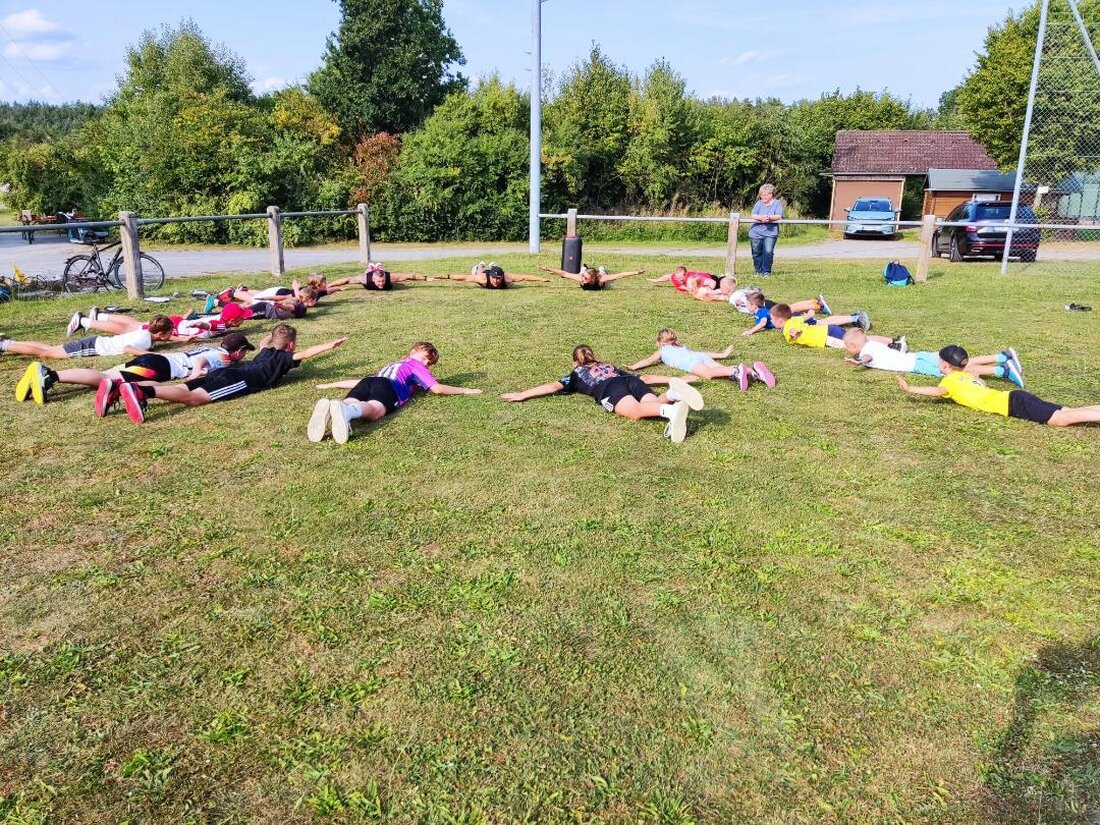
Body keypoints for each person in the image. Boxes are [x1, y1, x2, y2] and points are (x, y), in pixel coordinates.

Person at [113, 324, 347, 424]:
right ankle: (141, 391)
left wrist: (274, 333)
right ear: (291, 345)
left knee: (184, 387)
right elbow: (306, 353)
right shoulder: (284, 358)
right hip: (239, 380)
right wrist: (330, 345)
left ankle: (121, 388)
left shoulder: (265, 350)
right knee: (195, 399)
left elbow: (265, 341)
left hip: (228, 371)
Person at [500, 345, 704, 444]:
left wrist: (523, 394)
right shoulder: (609, 366)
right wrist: (674, 379)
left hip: (609, 389)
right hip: (630, 381)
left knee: (635, 412)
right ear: (594, 357)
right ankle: (672, 394)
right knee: (650, 404)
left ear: (575, 362)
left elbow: (553, 386)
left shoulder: (576, 374)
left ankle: (671, 411)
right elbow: (646, 378)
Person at [14, 333, 255, 411]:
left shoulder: (213, 347)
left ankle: (48, 375)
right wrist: (195, 374)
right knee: (105, 379)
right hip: (158, 368)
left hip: (155, 361)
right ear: (238, 351)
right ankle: (51, 375)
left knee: (104, 377)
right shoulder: (224, 358)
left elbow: (201, 354)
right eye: (245, 352)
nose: (244, 357)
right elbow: (202, 360)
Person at [307, 342, 482, 443]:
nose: (426, 364)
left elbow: (361, 381)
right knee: (375, 410)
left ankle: (335, 408)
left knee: (352, 400)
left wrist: (331, 385)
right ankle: (347, 413)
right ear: (413, 352)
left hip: (369, 380)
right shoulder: (416, 367)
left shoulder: (395, 365)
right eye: (424, 359)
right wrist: (466, 390)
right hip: (389, 387)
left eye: (429, 363)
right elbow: (437, 388)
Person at [897, 345, 1100, 427]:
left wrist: (910, 389)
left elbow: (937, 391)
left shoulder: (949, 382)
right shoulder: (966, 377)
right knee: (1066, 411)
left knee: (1061, 419)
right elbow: (981, 383)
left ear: (943, 365)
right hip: (1015, 397)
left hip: (1013, 404)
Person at [842, 329, 1024, 386]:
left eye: (847, 347)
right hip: (919, 356)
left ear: (853, 346)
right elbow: (873, 340)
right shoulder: (871, 342)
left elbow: (867, 358)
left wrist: (858, 361)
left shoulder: (866, 352)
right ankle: (1003, 357)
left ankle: (1002, 371)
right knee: (960, 363)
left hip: (917, 365)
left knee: (957, 370)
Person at [626, 328, 776, 391]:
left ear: (659, 342)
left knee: (709, 374)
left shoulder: (662, 350)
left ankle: (736, 371)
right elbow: (701, 353)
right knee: (719, 370)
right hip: (699, 357)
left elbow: (647, 361)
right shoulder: (681, 347)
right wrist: (722, 355)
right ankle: (755, 373)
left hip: (690, 362)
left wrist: (634, 367)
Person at [1, 315, 175, 361]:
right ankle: (4, 345)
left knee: (48, 348)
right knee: (46, 352)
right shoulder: (144, 341)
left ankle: (7, 343)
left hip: (95, 341)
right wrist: (153, 355)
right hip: (92, 346)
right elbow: (127, 349)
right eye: (170, 332)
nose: (172, 335)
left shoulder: (145, 333)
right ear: (161, 334)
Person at [67, 307, 225, 342]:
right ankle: (84, 321)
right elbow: (168, 337)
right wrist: (182, 339)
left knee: (135, 324)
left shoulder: (220, 317)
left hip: (176, 322)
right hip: (174, 327)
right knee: (128, 330)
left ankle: (100, 316)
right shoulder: (219, 325)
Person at [769, 303, 876, 349]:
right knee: (854, 338)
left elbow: (793, 331)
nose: (771, 322)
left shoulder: (787, 328)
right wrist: (810, 313)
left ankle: (876, 342)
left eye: (773, 320)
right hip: (828, 330)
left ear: (780, 320)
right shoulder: (793, 319)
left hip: (826, 336)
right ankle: (858, 325)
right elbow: (806, 317)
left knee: (854, 343)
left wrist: (796, 333)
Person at [327, 262, 437, 292]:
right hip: (369, 274)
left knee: (381, 271)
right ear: (373, 279)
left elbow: (410, 276)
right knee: (367, 271)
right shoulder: (365, 279)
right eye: (378, 282)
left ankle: (379, 268)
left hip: (383, 273)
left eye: (383, 281)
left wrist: (426, 278)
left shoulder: (391, 277)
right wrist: (329, 285)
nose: (381, 284)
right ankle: (371, 268)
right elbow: (347, 279)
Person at [749, 184, 784, 276]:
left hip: (770, 233)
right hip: (755, 232)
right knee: (756, 253)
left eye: (765, 195)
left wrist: (769, 218)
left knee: (768, 252)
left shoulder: (777, 203)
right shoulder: (759, 203)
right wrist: (761, 218)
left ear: (771, 194)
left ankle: (766, 271)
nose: (763, 197)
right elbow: (753, 215)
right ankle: (758, 270)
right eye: (761, 195)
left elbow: (779, 215)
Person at [435, 262, 549, 289]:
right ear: (490, 277)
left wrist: (542, 279)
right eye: (494, 278)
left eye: (498, 278)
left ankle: (495, 265)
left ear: (502, 277)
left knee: (499, 271)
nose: (495, 281)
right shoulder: (484, 279)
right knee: (477, 272)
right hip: (482, 274)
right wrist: (446, 276)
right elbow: (464, 278)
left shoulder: (507, 278)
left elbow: (525, 277)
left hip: (498, 272)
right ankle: (481, 264)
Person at [536, 264, 646, 290]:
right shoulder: (581, 278)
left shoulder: (600, 279)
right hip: (588, 274)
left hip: (600, 278)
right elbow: (564, 274)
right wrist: (548, 269)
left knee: (605, 275)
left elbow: (619, 275)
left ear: (593, 279)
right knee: (581, 273)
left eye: (586, 278)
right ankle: (583, 269)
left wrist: (636, 272)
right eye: (584, 277)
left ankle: (601, 269)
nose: (583, 279)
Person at [649, 264, 723, 294]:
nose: (679, 280)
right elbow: (668, 276)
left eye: (681, 278)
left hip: (712, 279)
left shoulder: (693, 278)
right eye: (678, 278)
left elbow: (712, 282)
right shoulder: (675, 278)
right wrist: (656, 280)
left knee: (722, 283)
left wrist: (710, 290)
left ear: (685, 275)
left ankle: (722, 277)